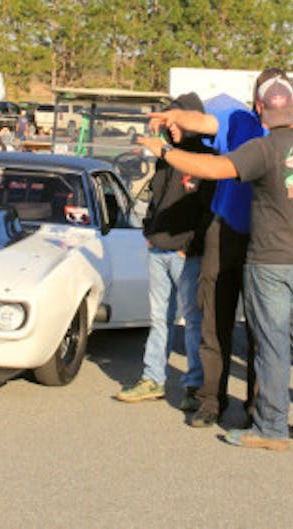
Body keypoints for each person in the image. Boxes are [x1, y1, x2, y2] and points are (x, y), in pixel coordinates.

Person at [141, 73, 293, 451]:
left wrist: (164, 151)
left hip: (269, 251)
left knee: (270, 340)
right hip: (260, 239)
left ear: (261, 104)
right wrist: (176, 116)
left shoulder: (266, 147)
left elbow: (215, 169)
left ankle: (268, 421)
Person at [147, 71, 284, 429]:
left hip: (265, 238)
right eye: (265, 95)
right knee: (213, 320)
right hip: (224, 232)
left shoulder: (288, 135)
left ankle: (258, 408)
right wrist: (175, 116)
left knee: (261, 329)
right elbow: (203, 121)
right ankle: (210, 401)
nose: (270, 101)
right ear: (256, 99)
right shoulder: (237, 119)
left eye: (278, 94)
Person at [115, 92, 212, 409]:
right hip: (158, 250)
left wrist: (191, 246)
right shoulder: (164, 156)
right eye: (168, 121)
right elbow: (155, 199)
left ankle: (195, 386)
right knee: (159, 320)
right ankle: (153, 379)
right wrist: (149, 232)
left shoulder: (205, 158)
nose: (171, 126)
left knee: (193, 322)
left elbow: (209, 211)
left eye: (175, 120)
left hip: (186, 255)